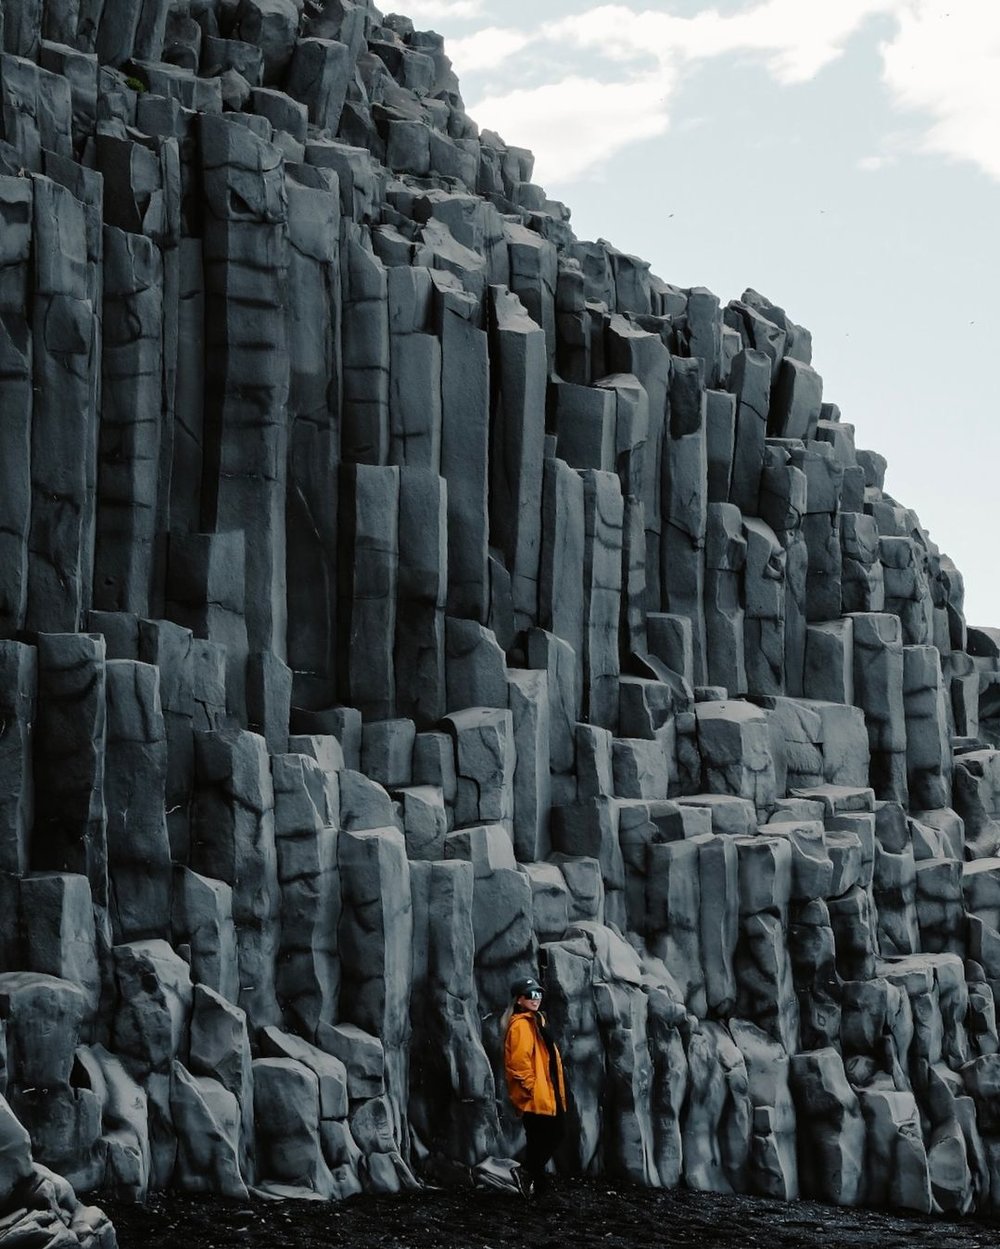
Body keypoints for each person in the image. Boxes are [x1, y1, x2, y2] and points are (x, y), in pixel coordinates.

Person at [502, 976, 567, 1197]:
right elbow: (518, 1063)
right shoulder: (521, 1025)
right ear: (519, 1000)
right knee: (555, 1132)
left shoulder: (536, 1021)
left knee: (538, 1140)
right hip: (536, 1095)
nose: (535, 998)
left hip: (545, 1092)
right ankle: (527, 1173)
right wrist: (531, 1088)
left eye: (538, 994)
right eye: (530, 995)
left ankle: (538, 1189)